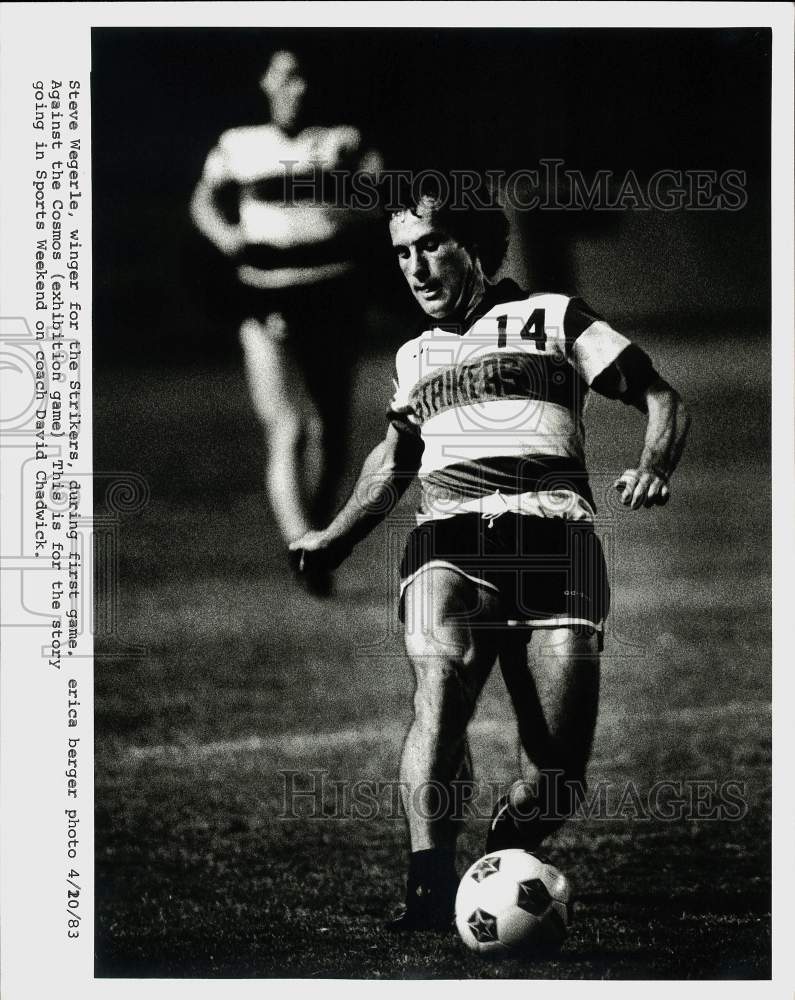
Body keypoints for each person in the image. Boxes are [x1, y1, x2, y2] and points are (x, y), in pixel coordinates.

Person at [290, 175, 690, 931]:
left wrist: (652, 466)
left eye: (430, 245)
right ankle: (427, 885)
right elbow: (392, 462)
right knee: (437, 686)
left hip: (557, 544)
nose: (413, 267)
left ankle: (505, 847)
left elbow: (662, 398)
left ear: (472, 244)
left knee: (556, 779)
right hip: (451, 536)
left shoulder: (555, 317)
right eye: (401, 251)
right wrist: (333, 536)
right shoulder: (413, 358)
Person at [190, 50, 381, 595]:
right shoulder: (239, 143)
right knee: (287, 427)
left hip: (331, 292)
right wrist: (224, 233)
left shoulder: (343, 140)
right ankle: (302, 545)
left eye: (304, 76)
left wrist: (344, 196)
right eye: (285, 76)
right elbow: (203, 203)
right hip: (263, 292)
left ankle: (316, 533)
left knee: (333, 436)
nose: (295, 87)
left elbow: (379, 200)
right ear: (266, 81)